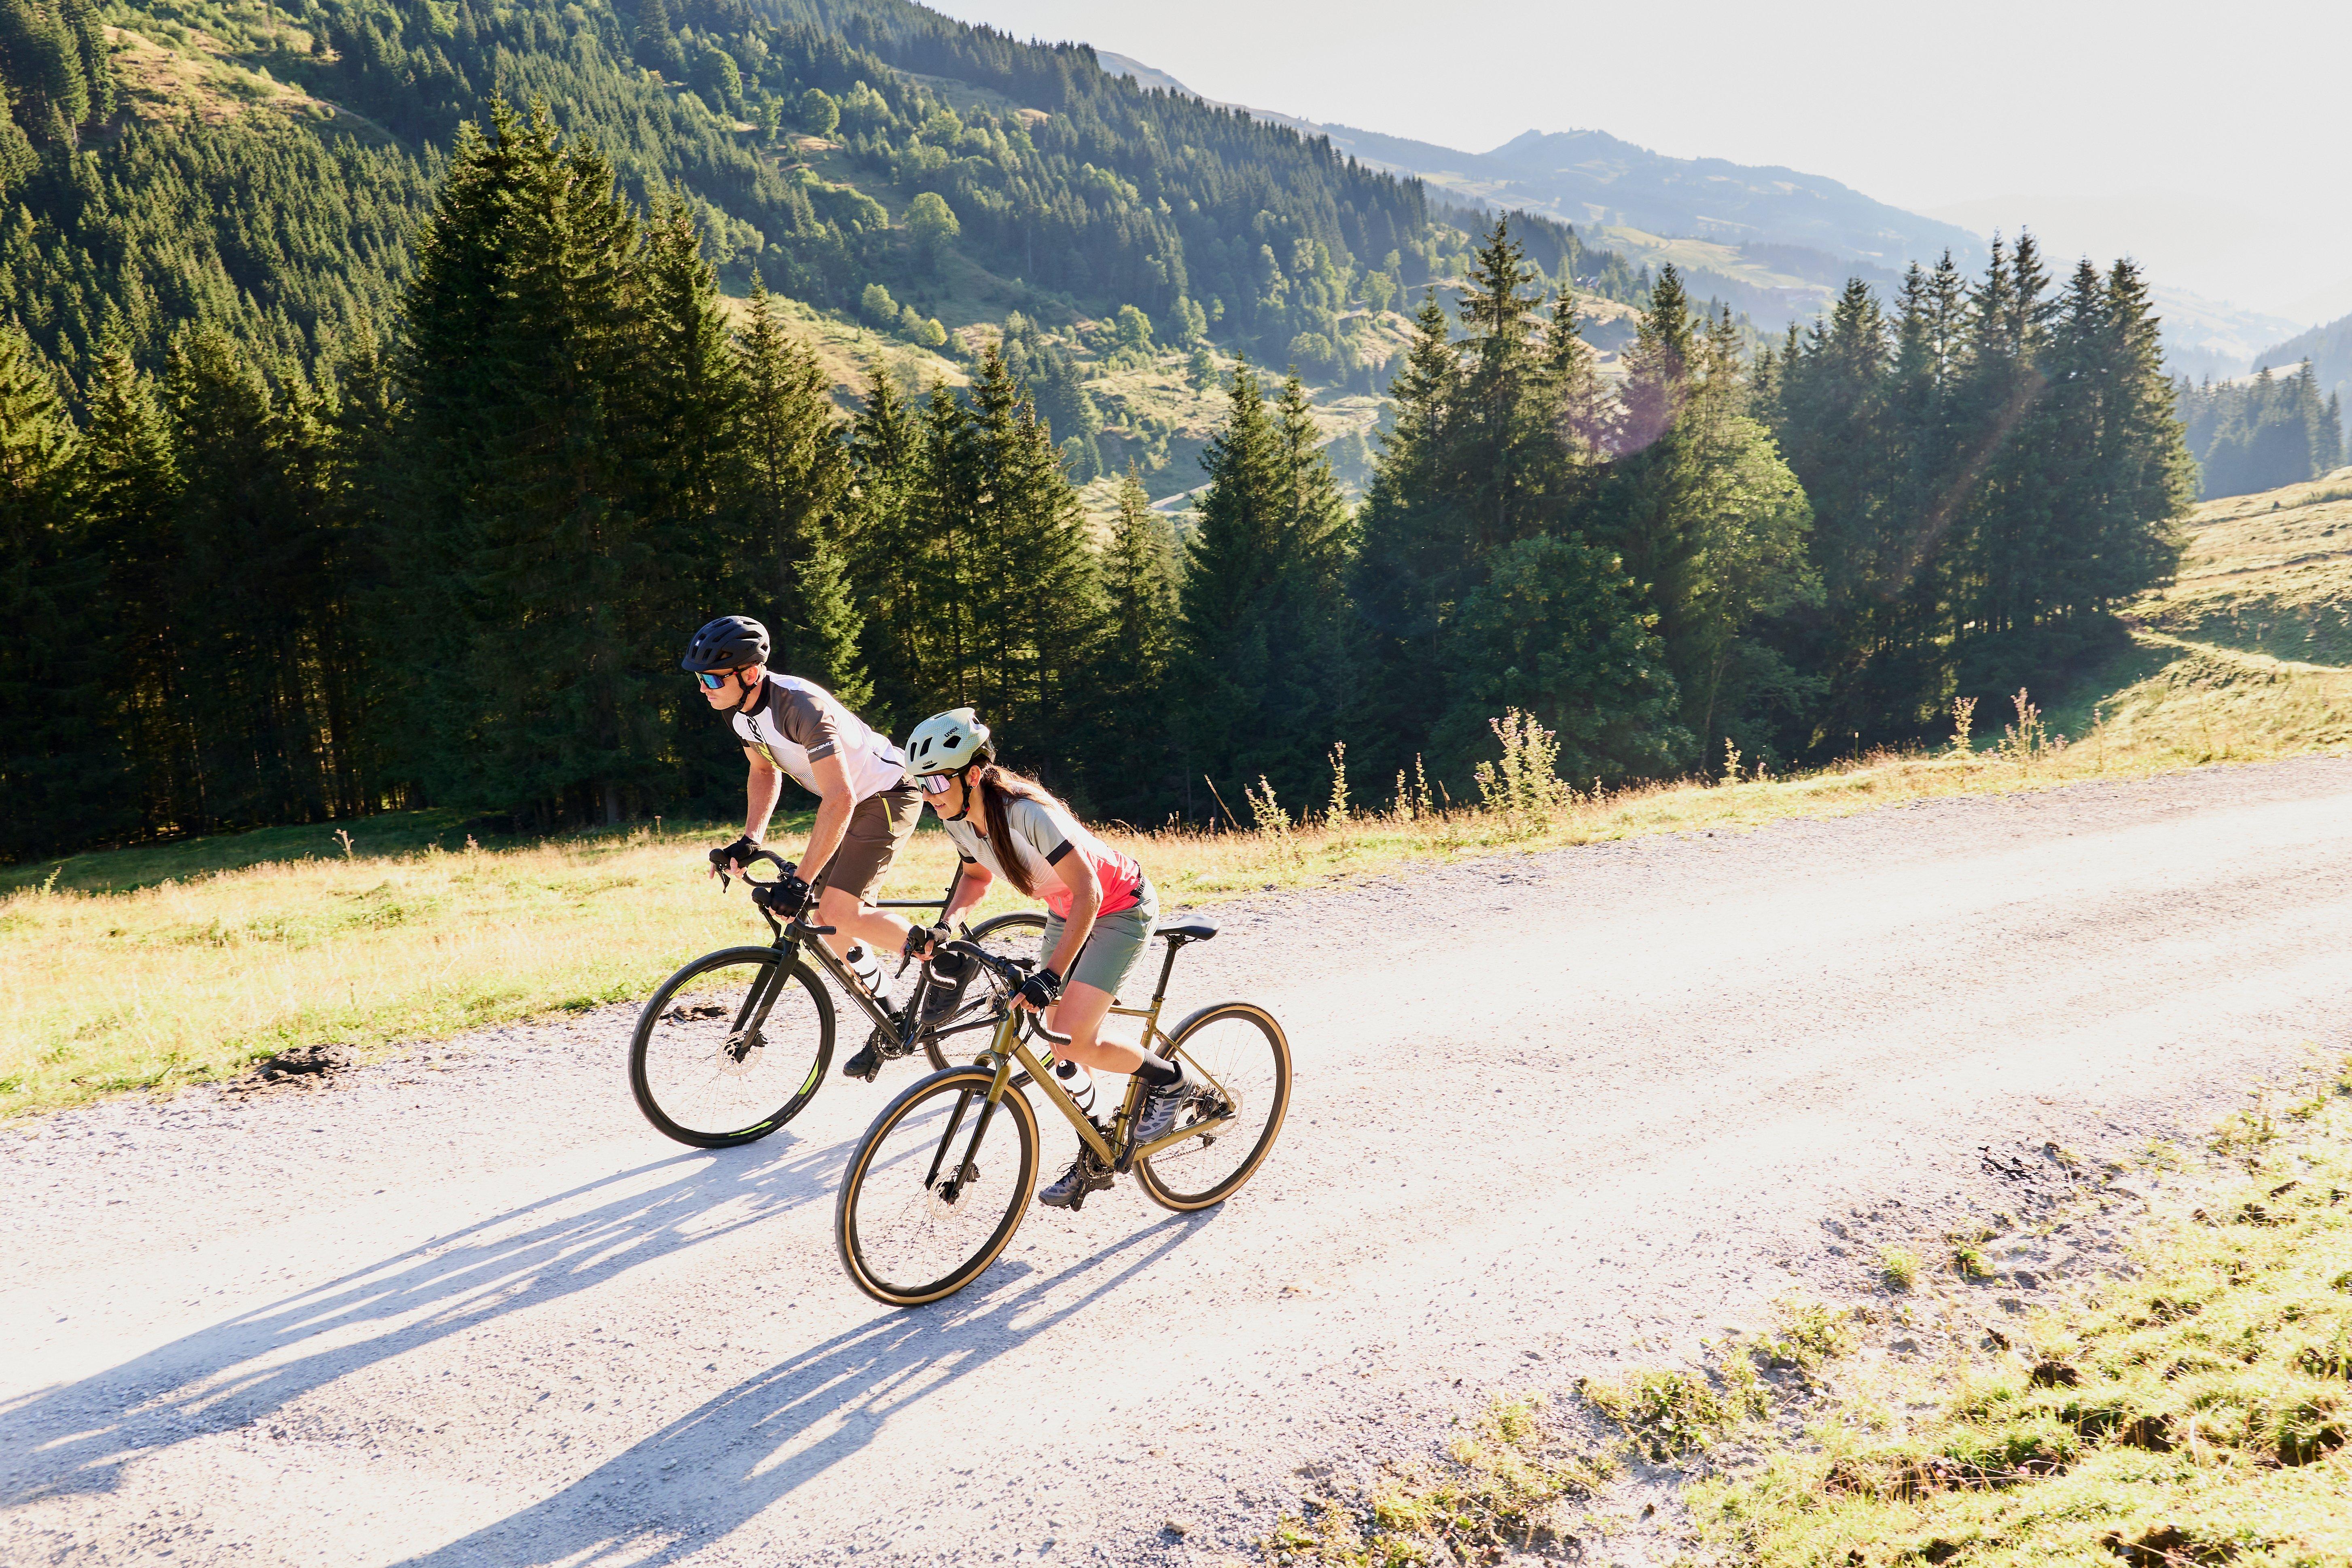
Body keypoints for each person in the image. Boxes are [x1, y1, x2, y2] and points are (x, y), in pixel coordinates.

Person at [900, 707, 1208, 1208]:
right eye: (921, 784)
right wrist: (944, 926)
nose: (929, 794)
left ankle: (1172, 1082)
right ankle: (1097, 1148)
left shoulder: (1027, 814)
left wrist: (1051, 975)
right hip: (1068, 910)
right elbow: (976, 879)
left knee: (1075, 1036)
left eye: (935, 781)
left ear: (972, 775)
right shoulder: (959, 819)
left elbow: (1090, 892)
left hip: (1118, 907)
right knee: (1058, 1042)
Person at [680, 615, 924, 1079]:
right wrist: (751, 839)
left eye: (712, 679)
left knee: (838, 910)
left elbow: (841, 798)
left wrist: (800, 880)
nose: (703, 689)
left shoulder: (801, 707)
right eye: (700, 679)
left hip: (888, 793)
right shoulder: (740, 713)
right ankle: (894, 1016)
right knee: (822, 915)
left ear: (751, 674)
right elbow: (763, 771)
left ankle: (943, 959)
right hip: (849, 801)